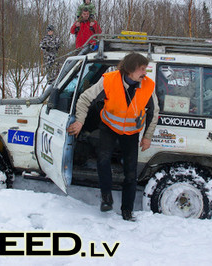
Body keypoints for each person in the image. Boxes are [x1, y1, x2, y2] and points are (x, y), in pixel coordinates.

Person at [67, 52, 159, 221]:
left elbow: (154, 112)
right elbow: (85, 98)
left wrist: (147, 136)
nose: (145, 73)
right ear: (130, 70)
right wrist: (80, 121)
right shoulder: (109, 80)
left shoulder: (147, 85)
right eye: (142, 69)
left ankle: (127, 211)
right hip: (109, 128)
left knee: (131, 174)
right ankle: (106, 197)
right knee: (103, 160)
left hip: (131, 133)